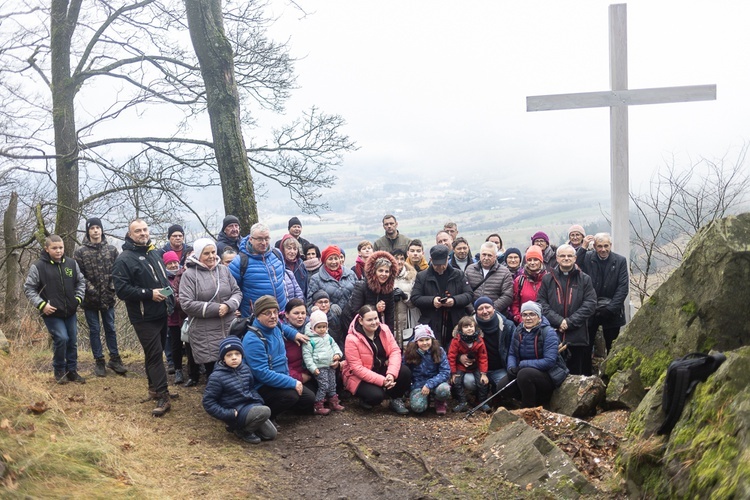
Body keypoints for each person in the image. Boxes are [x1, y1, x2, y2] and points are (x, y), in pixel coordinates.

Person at [113, 219, 176, 416]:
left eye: (145, 229)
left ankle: (154, 388)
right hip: (143, 317)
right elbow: (122, 290)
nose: (142, 233)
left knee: (153, 354)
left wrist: (169, 299)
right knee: (156, 354)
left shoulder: (154, 253)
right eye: (138, 231)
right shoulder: (124, 259)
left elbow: (163, 280)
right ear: (130, 234)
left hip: (161, 312)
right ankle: (163, 396)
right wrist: (149, 294)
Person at [24, 235, 86, 384]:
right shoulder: (38, 266)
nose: (58, 251)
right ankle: (59, 370)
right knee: (62, 338)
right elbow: (29, 288)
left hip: (70, 311)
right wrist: (42, 305)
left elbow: (81, 282)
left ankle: (72, 370)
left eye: (61, 247)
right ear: (47, 249)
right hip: (51, 312)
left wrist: (77, 299)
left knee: (72, 340)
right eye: (54, 248)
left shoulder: (71, 264)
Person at [242, 295, 315, 419]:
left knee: (309, 399)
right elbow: (262, 373)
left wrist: (294, 334)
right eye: (267, 313)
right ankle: (266, 416)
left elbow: (284, 327)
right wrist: (292, 382)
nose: (273, 316)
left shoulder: (275, 326)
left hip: (282, 376)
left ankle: (283, 409)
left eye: (275, 312)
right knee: (291, 396)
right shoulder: (253, 340)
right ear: (258, 315)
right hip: (262, 385)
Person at [179, 238, 243, 380]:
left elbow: (237, 292)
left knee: (233, 371)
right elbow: (186, 303)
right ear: (198, 254)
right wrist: (216, 308)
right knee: (214, 374)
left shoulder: (224, 270)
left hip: (228, 327)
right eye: (206, 253)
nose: (211, 256)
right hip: (205, 332)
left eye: (213, 252)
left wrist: (228, 306)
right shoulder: (189, 275)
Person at [74, 217, 126, 377]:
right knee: (94, 330)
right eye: (92, 228)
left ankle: (115, 359)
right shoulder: (80, 252)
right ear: (88, 231)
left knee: (110, 328)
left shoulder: (111, 250)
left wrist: (111, 287)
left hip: (108, 297)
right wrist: (91, 290)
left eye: (98, 227)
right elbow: (79, 275)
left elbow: (117, 272)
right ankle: (99, 361)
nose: (95, 230)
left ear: (102, 230)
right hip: (89, 300)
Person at [202, 336, 277, 444]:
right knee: (265, 411)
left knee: (271, 434)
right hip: (235, 412)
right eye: (229, 355)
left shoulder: (245, 369)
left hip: (250, 406)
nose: (234, 357)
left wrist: (258, 400)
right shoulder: (216, 377)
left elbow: (251, 388)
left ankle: (250, 427)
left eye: (237, 354)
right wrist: (228, 414)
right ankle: (242, 431)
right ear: (223, 358)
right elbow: (208, 402)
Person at [537, 244, 597, 376]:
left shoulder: (584, 279)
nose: (566, 258)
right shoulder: (548, 279)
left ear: (575, 258)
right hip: (553, 335)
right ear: (557, 258)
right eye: (562, 256)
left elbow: (590, 304)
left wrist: (569, 322)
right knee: (554, 375)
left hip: (577, 336)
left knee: (576, 375)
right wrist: (559, 321)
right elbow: (541, 303)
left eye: (569, 255)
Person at [496, 301, 569, 408]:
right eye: (525, 315)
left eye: (532, 314)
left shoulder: (548, 332)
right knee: (502, 386)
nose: (528, 318)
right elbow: (512, 353)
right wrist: (511, 367)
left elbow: (549, 361)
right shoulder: (518, 330)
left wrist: (523, 365)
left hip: (548, 374)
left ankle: (528, 408)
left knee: (524, 374)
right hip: (523, 371)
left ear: (539, 317)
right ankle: (533, 400)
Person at [341, 305, 411, 414]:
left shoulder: (384, 329)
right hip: (359, 376)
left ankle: (395, 398)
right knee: (376, 396)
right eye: (369, 320)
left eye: (376, 318)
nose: (374, 322)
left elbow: (395, 351)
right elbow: (357, 368)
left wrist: (391, 374)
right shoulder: (351, 339)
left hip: (381, 368)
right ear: (360, 320)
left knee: (405, 372)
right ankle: (364, 399)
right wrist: (382, 381)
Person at [411, 245, 474, 348]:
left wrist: (454, 300)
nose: (440, 267)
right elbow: (415, 298)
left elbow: (469, 295)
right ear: (431, 260)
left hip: (454, 321)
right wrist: (432, 301)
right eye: (436, 265)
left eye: (442, 264)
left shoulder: (458, 274)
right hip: (432, 323)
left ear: (447, 259)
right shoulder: (422, 276)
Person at [577, 233, 629, 355]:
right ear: (594, 246)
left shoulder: (620, 261)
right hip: (590, 310)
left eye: (606, 246)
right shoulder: (588, 258)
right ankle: (586, 373)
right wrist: (583, 247)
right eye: (599, 246)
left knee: (613, 347)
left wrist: (610, 309)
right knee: (586, 347)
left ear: (610, 245)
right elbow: (575, 266)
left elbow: (623, 288)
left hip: (612, 311)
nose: (603, 249)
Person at [229, 222, 288, 317]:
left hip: (281, 313)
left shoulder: (277, 254)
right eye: (260, 239)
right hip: (256, 317)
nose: (264, 243)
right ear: (251, 239)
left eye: (266, 238)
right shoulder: (240, 262)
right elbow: (231, 290)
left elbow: (282, 279)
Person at [341, 251, 398, 335]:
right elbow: (355, 311)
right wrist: (375, 309)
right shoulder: (361, 286)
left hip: (372, 324)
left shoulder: (388, 290)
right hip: (353, 324)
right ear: (374, 272)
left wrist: (389, 337)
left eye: (387, 271)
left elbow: (390, 317)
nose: (384, 274)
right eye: (380, 271)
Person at [302, 310, 345, 415]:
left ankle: (333, 401)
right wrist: (313, 368)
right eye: (319, 327)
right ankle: (318, 404)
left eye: (324, 326)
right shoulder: (310, 340)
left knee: (332, 384)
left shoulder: (328, 337)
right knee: (324, 385)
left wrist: (338, 355)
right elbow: (307, 356)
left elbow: (335, 346)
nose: (322, 329)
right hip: (319, 366)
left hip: (330, 365)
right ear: (313, 327)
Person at [404, 325, 451, 415]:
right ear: (416, 341)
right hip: (419, 384)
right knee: (418, 408)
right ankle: (426, 400)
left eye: (427, 339)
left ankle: (440, 401)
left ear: (432, 339)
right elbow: (405, 369)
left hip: (437, 383)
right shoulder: (411, 352)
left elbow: (445, 372)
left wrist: (430, 384)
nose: (425, 343)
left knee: (444, 390)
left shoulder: (439, 351)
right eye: (421, 340)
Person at [448, 316, 490, 413]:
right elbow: (451, 356)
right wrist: (453, 373)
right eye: (466, 327)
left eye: (471, 326)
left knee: (482, 382)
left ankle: (482, 401)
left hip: (476, 366)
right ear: (460, 329)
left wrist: (484, 373)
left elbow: (483, 357)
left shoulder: (479, 340)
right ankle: (462, 402)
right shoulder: (456, 340)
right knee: (457, 382)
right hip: (461, 366)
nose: (469, 329)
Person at [464, 241, 514, 315]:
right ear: (480, 254)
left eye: (489, 255)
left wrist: (489, 310)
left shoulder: (505, 272)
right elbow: (464, 292)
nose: (486, 258)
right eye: (484, 254)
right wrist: (473, 311)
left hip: (495, 315)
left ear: (495, 257)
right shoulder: (470, 269)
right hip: (473, 316)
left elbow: (507, 296)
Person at [306, 245, 357, 313]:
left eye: (336, 258)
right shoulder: (316, 279)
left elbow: (358, 293)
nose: (333, 262)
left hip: (351, 314)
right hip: (330, 318)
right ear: (324, 261)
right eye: (330, 259)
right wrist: (329, 306)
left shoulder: (351, 274)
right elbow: (310, 303)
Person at [163, 251, 187, 384]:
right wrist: (172, 292)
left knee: (190, 343)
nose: (173, 265)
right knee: (176, 345)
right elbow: (163, 293)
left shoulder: (185, 274)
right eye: (170, 263)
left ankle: (194, 367)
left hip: (185, 315)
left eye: (175, 262)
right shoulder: (163, 277)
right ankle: (178, 370)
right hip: (172, 317)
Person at [282, 299, 316, 393]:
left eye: (303, 313)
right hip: (292, 375)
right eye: (296, 313)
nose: (300, 317)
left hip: (310, 370)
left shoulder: (312, 329)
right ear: (287, 314)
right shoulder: (282, 334)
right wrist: (299, 377)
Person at [509, 245, 548, 325]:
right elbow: (514, 303)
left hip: (545, 324)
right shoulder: (520, 280)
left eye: (536, 259)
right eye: (529, 260)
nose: (532, 263)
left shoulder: (548, 279)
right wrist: (519, 319)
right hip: (524, 324)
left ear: (541, 261)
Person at [392, 249, 420, 347]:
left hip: (408, 317)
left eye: (402, 259)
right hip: (391, 317)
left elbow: (416, 301)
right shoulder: (386, 276)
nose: (399, 262)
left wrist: (405, 297)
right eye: (396, 259)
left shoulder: (412, 276)